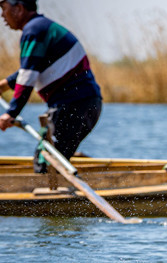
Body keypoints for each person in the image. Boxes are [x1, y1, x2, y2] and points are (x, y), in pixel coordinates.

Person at [0, 0, 102, 169]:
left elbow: (28, 76)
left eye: (3, 8)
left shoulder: (33, 30)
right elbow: (35, 67)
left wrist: (11, 113)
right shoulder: (41, 27)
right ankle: (69, 164)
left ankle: (55, 178)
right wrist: (4, 86)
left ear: (19, 9)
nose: (2, 15)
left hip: (71, 105)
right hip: (87, 103)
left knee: (44, 163)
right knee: (55, 157)